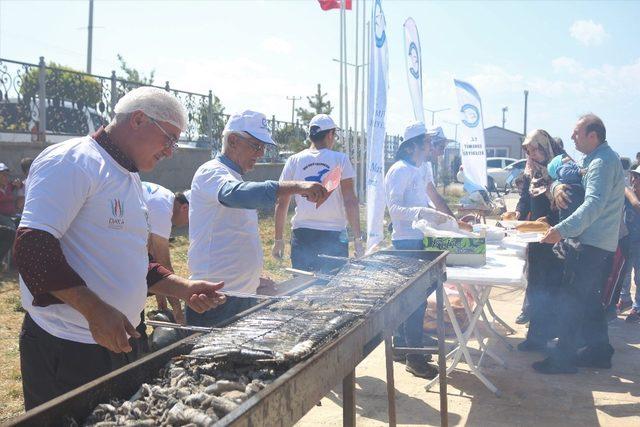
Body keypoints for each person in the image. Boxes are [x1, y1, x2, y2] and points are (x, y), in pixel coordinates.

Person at [15, 87, 227, 410]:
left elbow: (136, 263)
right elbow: (32, 247)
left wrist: (184, 288)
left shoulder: (131, 180)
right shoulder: (74, 161)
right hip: (67, 348)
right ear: (139, 120)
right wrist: (95, 311)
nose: (171, 151)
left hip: (120, 341)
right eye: (169, 138)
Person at [187, 110, 328, 327]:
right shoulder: (211, 172)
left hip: (242, 296)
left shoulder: (234, 177)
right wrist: (297, 186)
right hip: (213, 301)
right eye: (256, 146)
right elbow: (238, 194)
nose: (261, 153)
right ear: (233, 141)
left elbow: (235, 238)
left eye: (263, 147)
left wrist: (253, 281)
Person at [535, 114, 624, 374]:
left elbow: (593, 205)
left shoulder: (602, 162)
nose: (572, 137)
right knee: (589, 303)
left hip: (592, 247)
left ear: (593, 135)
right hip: (598, 245)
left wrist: (560, 231)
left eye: (577, 133)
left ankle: (562, 359)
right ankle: (599, 352)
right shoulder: (598, 159)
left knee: (571, 302)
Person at [385, 121, 455, 379]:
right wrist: (421, 212)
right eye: (426, 142)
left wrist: (452, 221)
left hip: (423, 240)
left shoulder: (421, 169)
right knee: (413, 302)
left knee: (417, 299)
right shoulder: (399, 171)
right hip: (405, 243)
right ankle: (414, 358)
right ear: (413, 146)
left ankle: (404, 347)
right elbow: (394, 210)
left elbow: (433, 198)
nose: (430, 146)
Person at [272, 114, 363, 273]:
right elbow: (350, 201)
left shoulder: (294, 160)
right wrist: (357, 238)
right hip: (334, 235)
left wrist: (278, 239)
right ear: (330, 135)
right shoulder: (340, 159)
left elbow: (282, 202)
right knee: (331, 290)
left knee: (303, 288)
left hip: (302, 234)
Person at [514, 130, 565, 351]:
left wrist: (551, 219)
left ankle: (544, 336)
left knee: (550, 287)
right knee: (536, 286)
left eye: (535, 149)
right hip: (535, 237)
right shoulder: (531, 172)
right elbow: (525, 197)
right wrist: (518, 213)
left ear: (545, 146)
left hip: (555, 237)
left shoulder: (560, 170)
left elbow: (569, 204)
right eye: (528, 151)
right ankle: (536, 336)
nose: (532, 154)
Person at [141, 181, 191, 324]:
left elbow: (152, 259)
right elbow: (163, 262)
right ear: (184, 207)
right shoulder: (163, 208)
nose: (188, 223)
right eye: (190, 218)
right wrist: (177, 310)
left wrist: (162, 306)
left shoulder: (162, 198)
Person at [618, 167, 640, 322]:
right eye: (633, 176)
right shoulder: (629, 195)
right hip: (627, 241)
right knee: (624, 274)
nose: (634, 180)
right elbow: (623, 188)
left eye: (637, 177)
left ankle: (638, 307)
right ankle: (625, 299)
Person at [422, 126, 456, 217]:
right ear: (431, 145)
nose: (442, 153)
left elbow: (432, 198)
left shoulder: (426, 165)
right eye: (441, 147)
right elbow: (434, 197)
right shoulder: (419, 166)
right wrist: (453, 221)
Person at [0, 162, 22, 263]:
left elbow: (22, 184)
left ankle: (21, 258)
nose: (6, 177)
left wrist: (20, 184)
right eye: (3, 175)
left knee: (25, 224)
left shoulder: (9, 186)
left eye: (6, 175)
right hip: (2, 215)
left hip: (11, 215)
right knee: (11, 230)